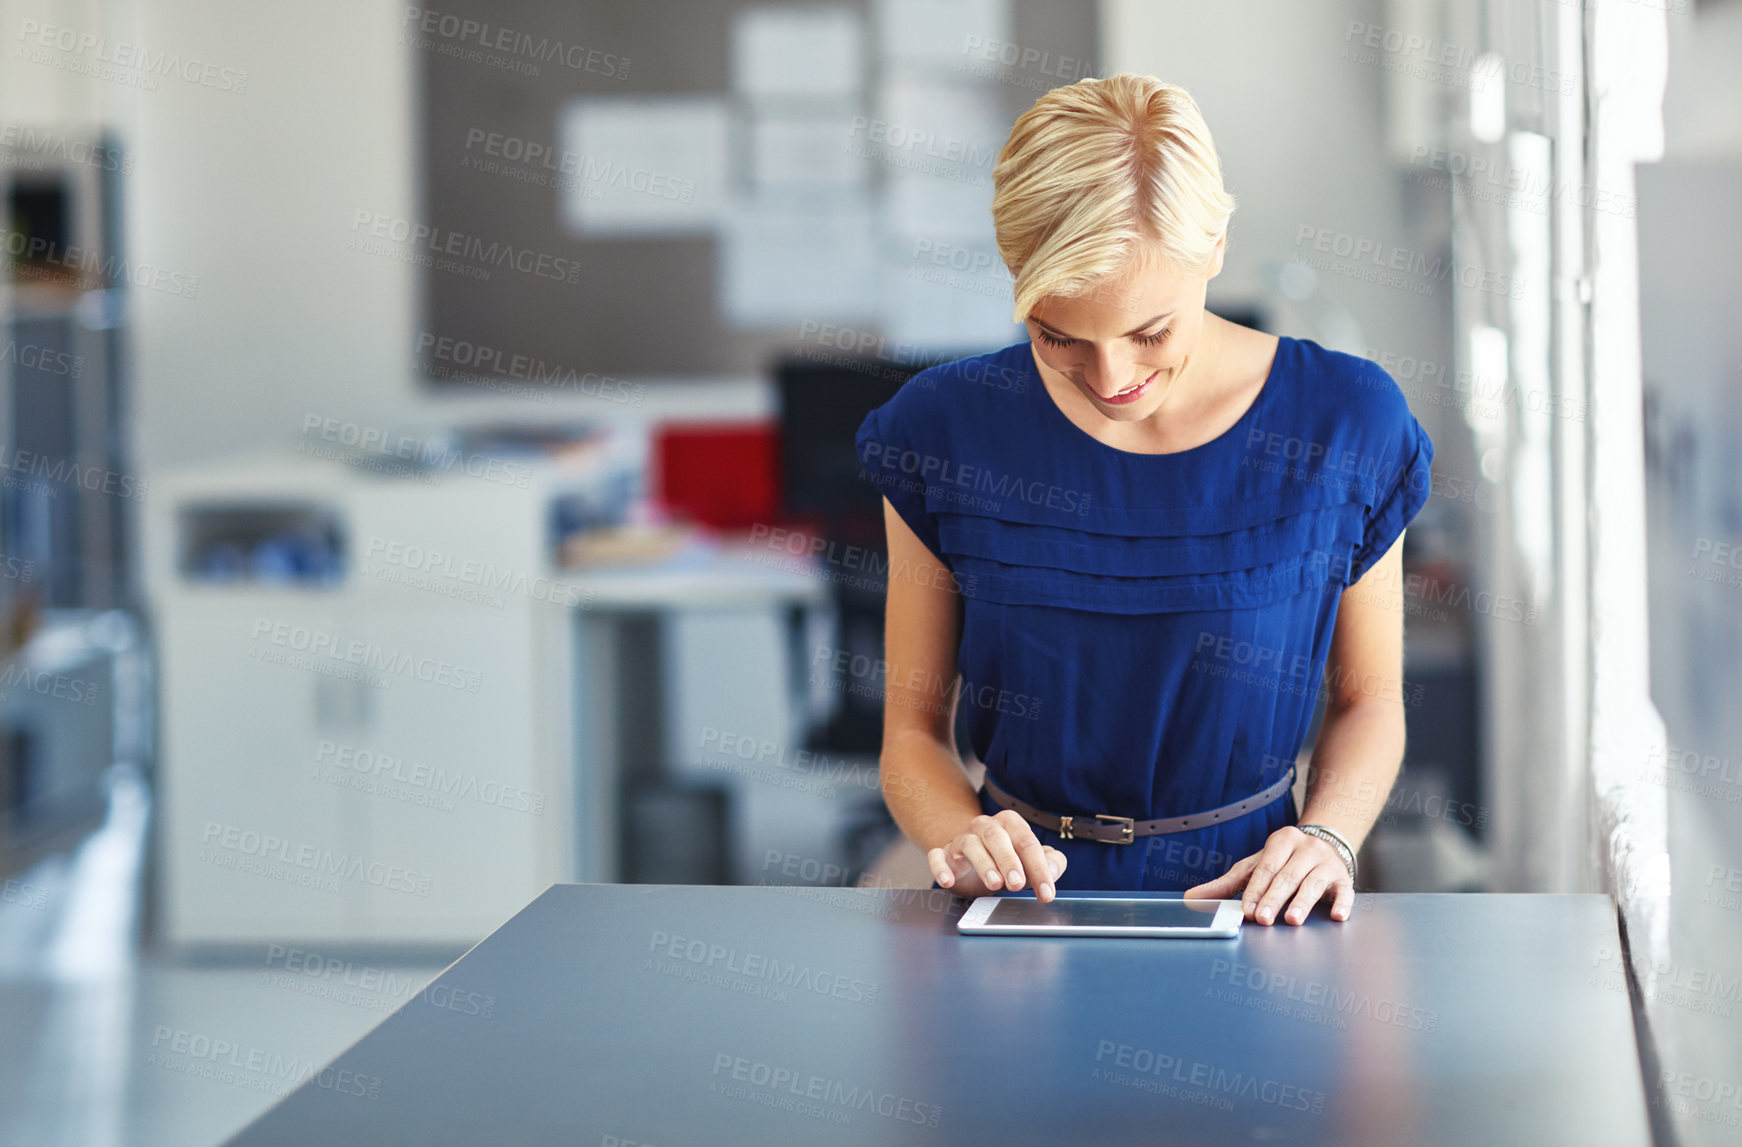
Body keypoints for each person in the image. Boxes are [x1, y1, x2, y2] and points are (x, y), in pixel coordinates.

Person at [854, 73, 1433, 926]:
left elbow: (1371, 701)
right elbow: (911, 733)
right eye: (1057, 336)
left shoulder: (1346, 422)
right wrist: (960, 838)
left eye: (1150, 331)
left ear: (1217, 249)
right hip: (1019, 914)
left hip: (1253, 909)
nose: (1113, 378)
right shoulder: (943, 430)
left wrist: (1330, 839)